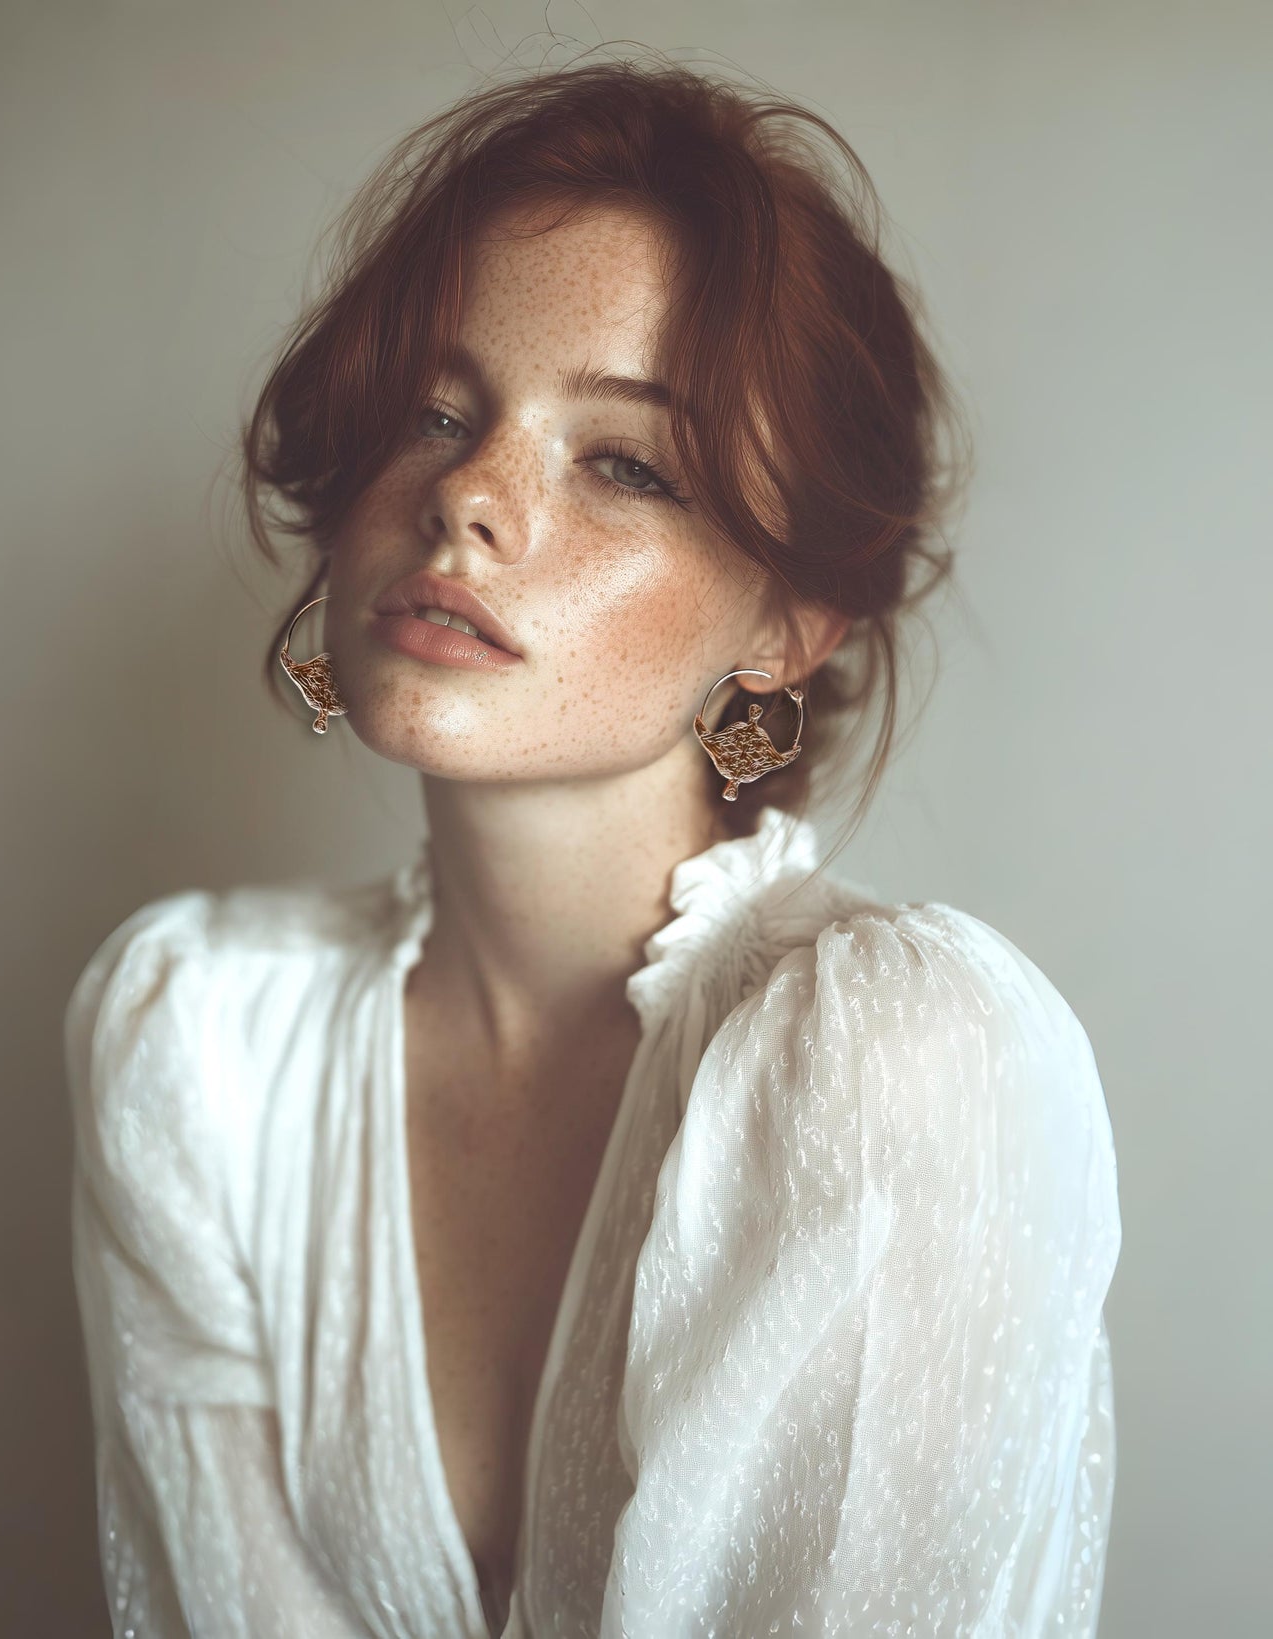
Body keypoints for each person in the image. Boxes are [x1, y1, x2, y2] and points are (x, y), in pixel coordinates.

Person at [64, 54, 1122, 1639]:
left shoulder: (897, 1068)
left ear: (786, 622)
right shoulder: (195, 1042)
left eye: (622, 461)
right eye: (433, 413)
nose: (467, 499)